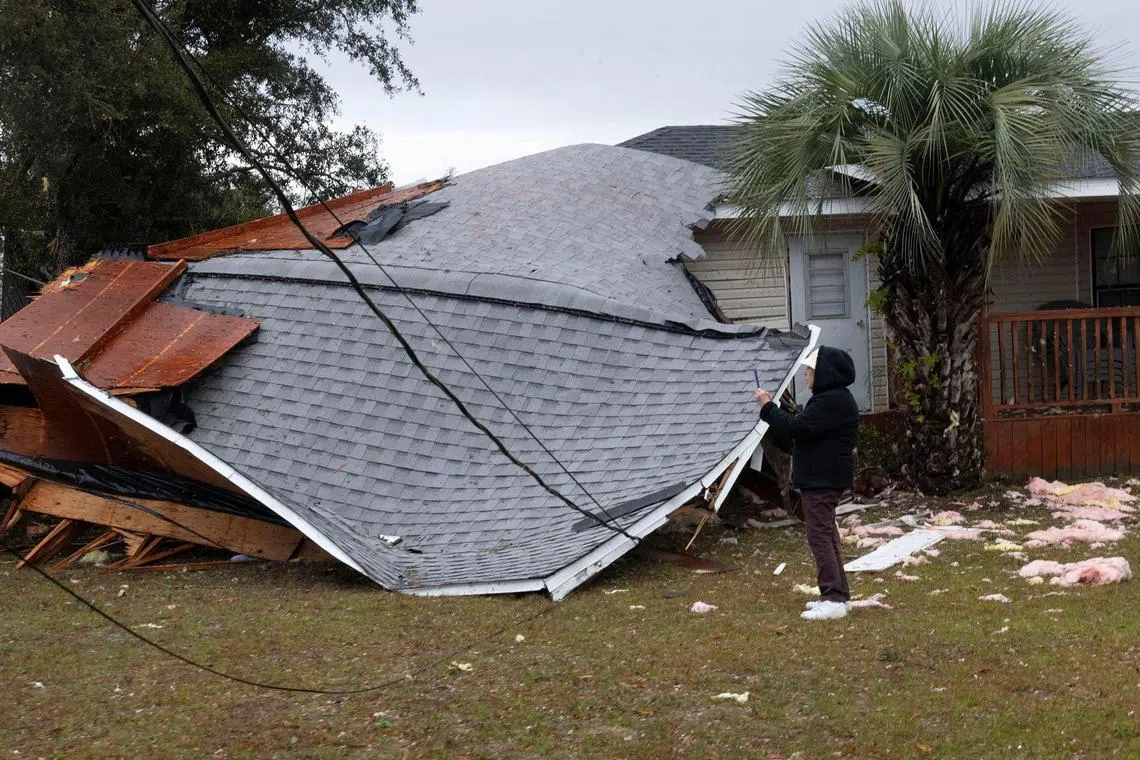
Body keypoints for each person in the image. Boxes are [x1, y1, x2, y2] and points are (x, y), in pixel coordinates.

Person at [754, 346, 859, 621]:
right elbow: (804, 426)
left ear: (824, 373)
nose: (806, 375)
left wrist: (768, 408)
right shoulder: (830, 399)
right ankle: (840, 596)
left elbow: (797, 428)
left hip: (823, 480)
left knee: (819, 536)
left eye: (810, 370)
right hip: (823, 478)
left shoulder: (831, 401)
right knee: (826, 535)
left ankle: (833, 598)